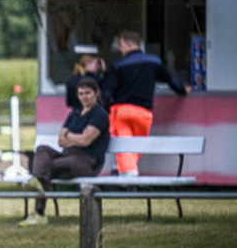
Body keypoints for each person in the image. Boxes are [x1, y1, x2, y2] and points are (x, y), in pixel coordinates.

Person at [19, 76, 110, 227]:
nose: (84, 97)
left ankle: (39, 212)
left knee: (46, 168)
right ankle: (37, 180)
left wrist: (70, 136)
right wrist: (76, 137)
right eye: (81, 94)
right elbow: (61, 140)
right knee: (42, 150)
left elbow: (85, 141)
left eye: (87, 93)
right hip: (68, 155)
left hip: (88, 161)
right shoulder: (75, 113)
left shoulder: (99, 114)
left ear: (96, 93)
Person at [102, 31, 191, 176]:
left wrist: (106, 107)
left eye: (121, 45)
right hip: (143, 113)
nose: (120, 49)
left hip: (121, 111)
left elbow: (107, 92)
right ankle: (124, 171)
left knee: (124, 147)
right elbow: (171, 80)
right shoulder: (154, 61)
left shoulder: (119, 65)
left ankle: (128, 179)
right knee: (137, 147)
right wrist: (182, 90)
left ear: (129, 44)